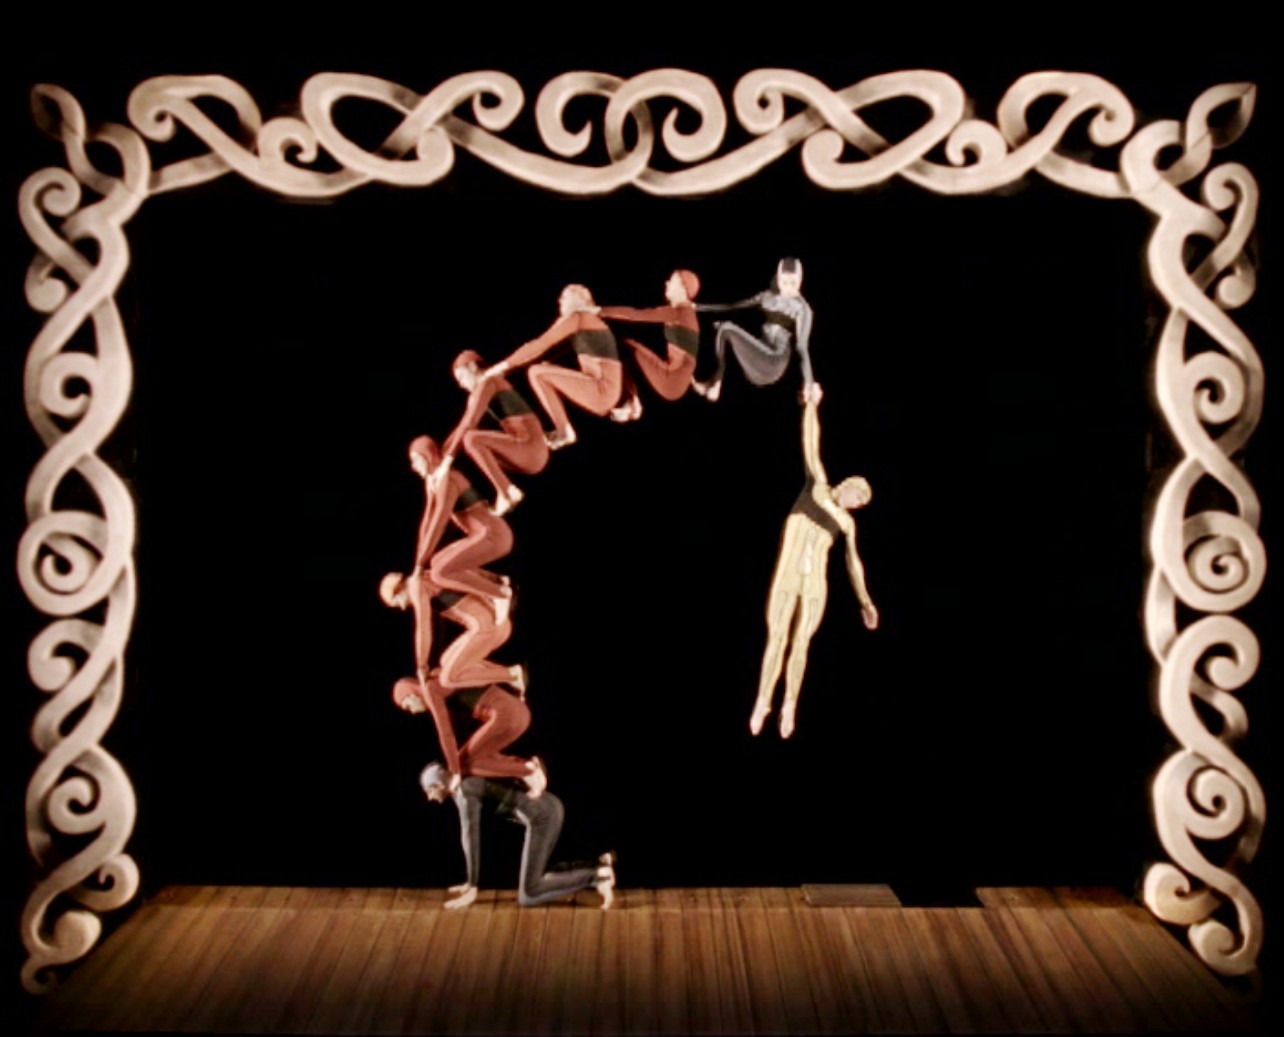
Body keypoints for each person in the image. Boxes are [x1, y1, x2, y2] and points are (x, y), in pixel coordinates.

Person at [752, 388, 878, 739]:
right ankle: (763, 700)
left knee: (801, 642)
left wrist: (865, 601)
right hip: (788, 574)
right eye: (857, 495)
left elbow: (853, 564)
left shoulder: (846, 524)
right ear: (848, 485)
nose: (855, 502)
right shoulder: (817, 487)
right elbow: (810, 442)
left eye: (860, 503)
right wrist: (810, 405)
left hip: (814, 583)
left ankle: (790, 703)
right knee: (777, 636)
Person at [419, 761, 617, 910]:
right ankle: (596, 865)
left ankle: (598, 877)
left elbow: (470, 837)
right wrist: (470, 883)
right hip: (551, 805)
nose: (429, 798)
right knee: (543, 875)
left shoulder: (465, 790)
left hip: (542, 817)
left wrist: (473, 886)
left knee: (529, 894)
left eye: (428, 791)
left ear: (439, 785)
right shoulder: (466, 780)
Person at [480, 284, 622, 450]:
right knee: (544, 367)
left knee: (537, 373)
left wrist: (498, 368)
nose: (560, 300)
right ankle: (564, 430)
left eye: (565, 296)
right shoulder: (589, 322)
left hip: (601, 391)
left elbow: (539, 344)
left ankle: (564, 431)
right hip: (606, 393)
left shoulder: (578, 317)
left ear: (581, 299)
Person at [409, 435, 514, 619]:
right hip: (480, 535)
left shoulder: (449, 480)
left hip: (493, 535)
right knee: (435, 563)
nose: (414, 466)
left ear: (428, 457)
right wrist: (419, 562)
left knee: (440, 573)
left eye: (416, 460)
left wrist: (419, 564)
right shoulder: (434, 481)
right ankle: (497, 581)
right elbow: (427, 522)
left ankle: (500, 594)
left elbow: (438, 523)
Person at [442, 350, 550, 516]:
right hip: (529, 453)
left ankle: (506, 492)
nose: (461, 384)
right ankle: (506, 491)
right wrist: (442, 454)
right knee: (471, 441)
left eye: (462, 377)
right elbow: (463, 424)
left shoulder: (489, 382)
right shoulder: (482, 390)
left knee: (471, 439)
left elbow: (469, 423)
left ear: (473, 367)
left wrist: (446, 461)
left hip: (531, 448)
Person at [380, 570, 525, 694]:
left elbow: (423, 628)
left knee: (448, 678)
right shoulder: (426, 576)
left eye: (397, 603)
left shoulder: (415, 585)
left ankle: (511, 675)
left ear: (399, 588)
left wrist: (422, 665)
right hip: (496, 625)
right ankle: (507, 675)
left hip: (487, 629)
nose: (402, 607)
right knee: (445, 662)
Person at [392, 677, 546, 792]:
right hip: (518, 711)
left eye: (407, 707)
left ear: (411, 695)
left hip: (507, 716)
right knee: (470, 758)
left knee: (465, 763)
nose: (412, 712)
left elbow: (446, 734)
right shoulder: (438, 678)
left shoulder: (431, 690)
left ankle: (527, 770)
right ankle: (525, 766)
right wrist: (513, 685)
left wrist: (455, 772)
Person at [694, 257, 815, 401]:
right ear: (778, 279)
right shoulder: (767, 297)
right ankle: (713, 383)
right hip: (757, 369)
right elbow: (733, 306)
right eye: (785, 282)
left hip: (775, 361)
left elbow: (802, 348)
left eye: (793, 283)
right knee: (721, 329)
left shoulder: (802, 309)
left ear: (800, 280)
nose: (789, 288)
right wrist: (697, 307)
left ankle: (715, 385)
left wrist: (808, 383)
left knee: (725, 327)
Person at [598, 269, 702, 419]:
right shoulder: (683, 312)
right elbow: (688, 354)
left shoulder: (679, 312)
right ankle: (632, 401)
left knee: (624, 348)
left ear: (682, 289)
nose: (667, 283)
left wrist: (599, 310)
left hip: (671, 380)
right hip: (676, 379)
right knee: (627, 346)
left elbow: (636, 314)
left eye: (672, 281)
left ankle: (630, 402)